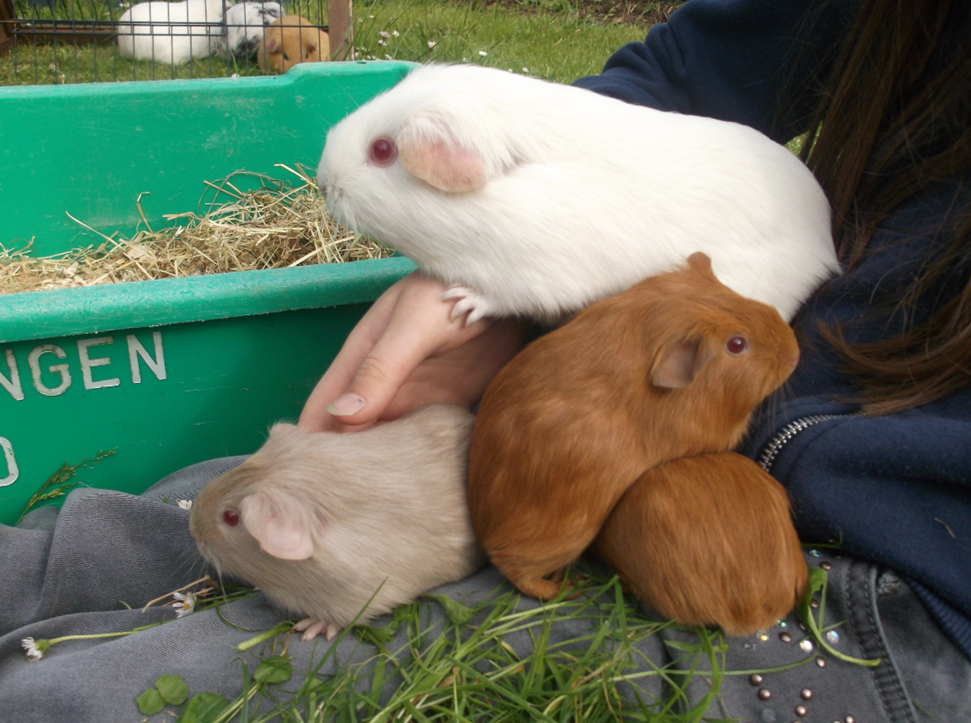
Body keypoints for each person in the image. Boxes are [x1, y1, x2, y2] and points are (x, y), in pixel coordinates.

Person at [2, 0, 969, 720]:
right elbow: (665, 89)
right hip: (644, 427)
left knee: (107, 696)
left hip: (890, 584)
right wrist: (480, 283)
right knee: (138, 537)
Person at [298, 0, 971, 714]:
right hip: (712, 439)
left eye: (381, 156)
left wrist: (498, 285)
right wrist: (478, 286)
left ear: (450, 164)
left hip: (906, 583)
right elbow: (679, 76)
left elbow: (575, 254)